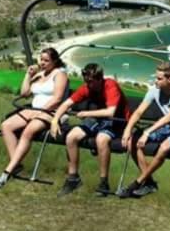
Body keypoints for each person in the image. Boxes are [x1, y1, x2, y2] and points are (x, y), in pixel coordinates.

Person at [50, 63, 131, 196]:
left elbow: (111, 112)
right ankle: (73, 178)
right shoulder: (87, 87)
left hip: (117, 121)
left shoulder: (110, 86)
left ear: (100, 79)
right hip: (97, 119)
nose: (88, 84)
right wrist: (55, 120)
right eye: (86, 81)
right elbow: (67, 103)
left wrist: (86, 114)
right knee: (71, 137)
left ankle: (104, 182)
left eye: (91, 81)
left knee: (101, 139)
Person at [0, 48, 69, 188]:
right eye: (41, 59)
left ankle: (6, 173)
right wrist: (28, 75)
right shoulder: (40, 75)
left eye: (46, 60)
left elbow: (57, 98)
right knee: (6, 126)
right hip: (33, 109)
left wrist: (40, 111)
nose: (43, 63)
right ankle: (16, 164)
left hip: (52, 112)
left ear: (55, 61)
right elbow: (24, 93)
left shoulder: (60, 74)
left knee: (28, 131)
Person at [118, 62, 170, 198]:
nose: (156, 81)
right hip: (167, 127)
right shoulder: (154, 90)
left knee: (164, 147)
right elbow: (138, 112)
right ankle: (149, 183)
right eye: (156, 77)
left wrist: (147, 132)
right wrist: (127, 130)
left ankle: (137, 183)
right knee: (133, 140)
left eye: (159, 78)